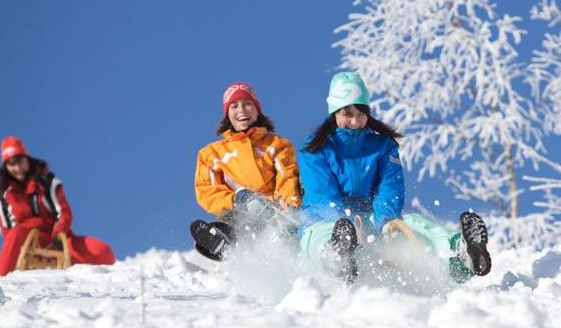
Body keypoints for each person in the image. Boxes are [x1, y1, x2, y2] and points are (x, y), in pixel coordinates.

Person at [298, 72, 491, 284]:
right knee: (319, 235)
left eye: (361, 113)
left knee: (415, 225)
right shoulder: (314, 148)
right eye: (347, 114)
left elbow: (389, 187)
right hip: (324, 219)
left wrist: (387, 221)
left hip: (372, 215)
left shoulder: (383, 146)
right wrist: (348, 222)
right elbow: (321, 196)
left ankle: (458, 254)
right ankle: (338, 257)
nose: (354, 121)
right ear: (334, 112)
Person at [191, 82, 301, 260]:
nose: (241, 110)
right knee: (234, 217)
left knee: (290, 218)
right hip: (240, 209)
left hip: (274, 207)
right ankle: (221, 239)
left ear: (257, 109)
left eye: (247, 103)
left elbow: (287, 175)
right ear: (227, 113)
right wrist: (237, 199)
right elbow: (207, 191)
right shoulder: (210, 154)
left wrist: (287, 204)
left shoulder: (277, 145)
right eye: (234, 106)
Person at [0, 137, 116, 276]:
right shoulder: (5, 192)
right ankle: (2, 284)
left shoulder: (46, 181)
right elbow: (7, 229)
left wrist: (59, 233)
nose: (18, 168)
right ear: (6, 167)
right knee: (15, 233)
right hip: (26, 242)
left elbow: (64, 212)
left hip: (55, 237)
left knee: (102, 251)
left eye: (21, 161)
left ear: (27, 158)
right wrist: (23, 250)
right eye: (11, 164)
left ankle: (110, 288)